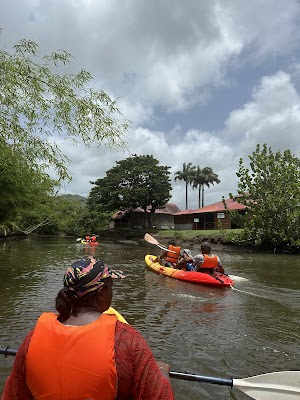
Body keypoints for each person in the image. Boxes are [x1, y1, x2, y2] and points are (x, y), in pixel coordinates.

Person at [1, 256, 174, 400]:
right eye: (110, 287)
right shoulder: (127, 341)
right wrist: (162, 371)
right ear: (100, 294)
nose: (112, 293)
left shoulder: (32, 339)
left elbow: (12, 395)